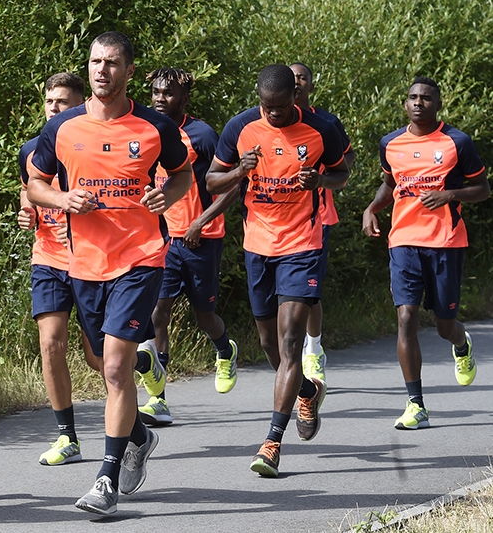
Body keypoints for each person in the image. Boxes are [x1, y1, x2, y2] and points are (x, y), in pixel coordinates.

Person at [28, 31, 191, 515]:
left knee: (119, 366)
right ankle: (137, 438)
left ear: (129, 71)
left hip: (140, 257)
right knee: (102, 363)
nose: (102, 70)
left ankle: (106, 480)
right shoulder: (62, 129)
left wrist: (170, 194)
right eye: (96, 61)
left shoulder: (154, 127)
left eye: (112, 62)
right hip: (85, 263)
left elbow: (183, 173)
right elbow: (36, 184)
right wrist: (63, 199)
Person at [207, 64, 349, 478]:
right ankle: (308, 390)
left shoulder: (322, 128)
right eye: (267, 107)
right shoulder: (240, 127)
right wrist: (239, 170)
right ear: (259, 100)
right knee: (269, 345)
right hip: (258, 247)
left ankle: (271, 443)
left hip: (302, 246)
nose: (274, 115)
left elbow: (343, 172)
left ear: (295, 99)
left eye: (282, 108)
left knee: (290, 342)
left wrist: (319, 181)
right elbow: (212, 181)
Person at [362, 76, 488, 430]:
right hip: (403, 241)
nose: (419, 103)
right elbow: (390, 184)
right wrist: (372, 208)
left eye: (426, 98)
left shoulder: (456, 142)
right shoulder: (391, 143)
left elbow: (481, 189)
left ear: (438, 104)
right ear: (405, 103)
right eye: (413, 97)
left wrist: (449, 196)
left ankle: (461, 344)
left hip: (446, 242)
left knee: (444, 326)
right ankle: (415, 403)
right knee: (406, 318)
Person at [138, 67, 240, 427]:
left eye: (167, 93)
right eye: (154, 92)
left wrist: (200, 221)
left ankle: (225, 349)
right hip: (163, 238)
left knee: (203, 316)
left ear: (185, 98)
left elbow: (230, 185)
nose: (159, 99)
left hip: (202, 237)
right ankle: (158, 399)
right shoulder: (147, 129)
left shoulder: (203, 135)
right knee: (157, 313)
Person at [17, 72, 101, 466]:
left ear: (80, 105)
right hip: (48, 257)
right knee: (50, 341)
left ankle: (142, 366)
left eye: (62, 102)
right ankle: (67, 436)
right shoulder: (31, 149)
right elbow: (30, 186)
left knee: (98, 356)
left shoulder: (96, 144)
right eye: (49, 101)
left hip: (94, 258)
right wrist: (27, 212)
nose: (53, 108)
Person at [290, 62, 356, 383]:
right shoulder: (263, 123)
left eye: (303, 78)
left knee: (310, 293)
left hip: (317, 216)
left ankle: (313, 350)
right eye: (292, 77)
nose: (297, 82)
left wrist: (324, 179)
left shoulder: (327, 123)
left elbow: (347, 160)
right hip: (274, 223)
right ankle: (291, 358)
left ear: (310, 86)